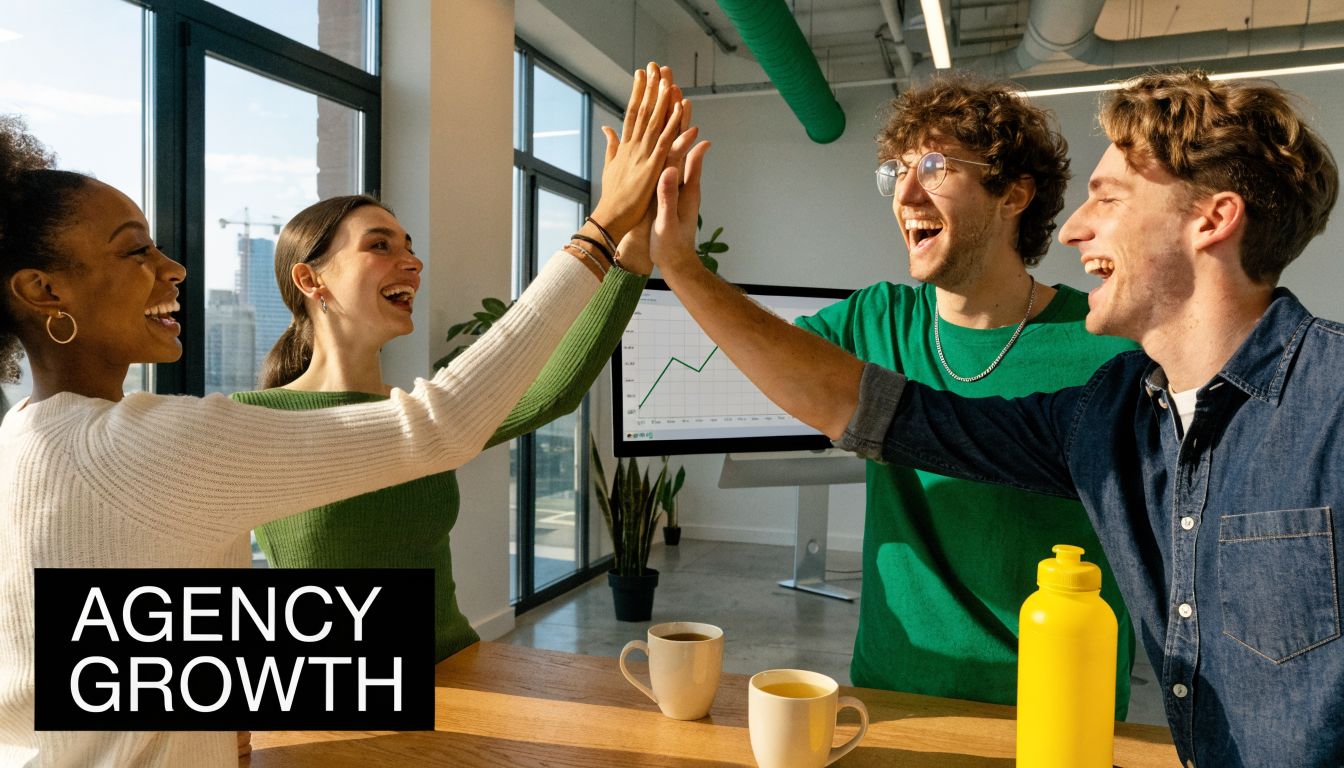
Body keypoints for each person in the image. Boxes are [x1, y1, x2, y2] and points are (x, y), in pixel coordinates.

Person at [0, 62, 689, 767]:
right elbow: (442, 423)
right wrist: (604, 232)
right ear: (43, 290)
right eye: (136, 249)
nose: (173, 266)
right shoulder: (167, 441)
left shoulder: (25, 441)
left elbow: (101, 640)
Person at [649, 70, 1340, 767]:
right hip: (904, 707)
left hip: (1057, 724)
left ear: (1212, 219)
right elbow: (909, 420)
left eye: (1109, 198)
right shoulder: (1111, 416)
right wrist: (672, 265)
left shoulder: (1303, 400)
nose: (1074, 227)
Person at [228, 79, 691, 663]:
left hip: (457, 668)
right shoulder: (254, 421)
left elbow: (553, 392)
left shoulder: (423, 416)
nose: (412, 261)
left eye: (409, 245)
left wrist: (634, 256)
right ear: (309, 279)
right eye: (379, 245)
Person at [791, 75, 1135, 711]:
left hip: (1058, 708)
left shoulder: (1109, 346)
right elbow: (754, 357)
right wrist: (666, 260)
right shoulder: (876, 320)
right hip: (892, 692)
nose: (905, 192)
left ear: (1014, 195)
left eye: (932, 166)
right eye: (896, 171)